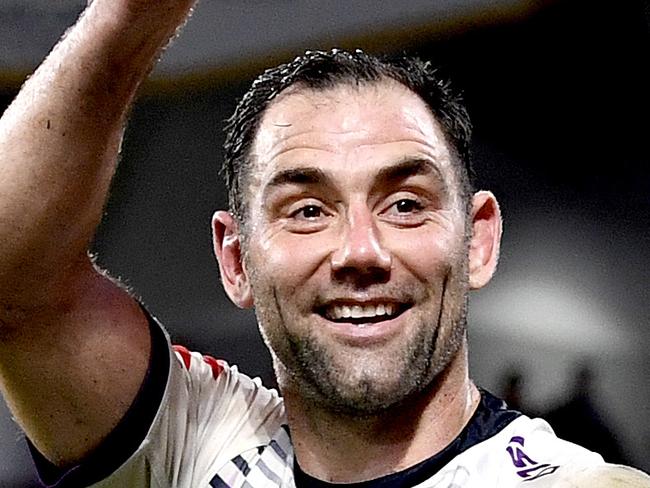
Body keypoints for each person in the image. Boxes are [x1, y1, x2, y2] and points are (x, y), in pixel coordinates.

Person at [0, 1, 647, 487]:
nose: (360, 252)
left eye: (404, 205)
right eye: (307, 211)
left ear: (477, 242)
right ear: (236, 260)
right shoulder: (196, 448)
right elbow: (14, 285)